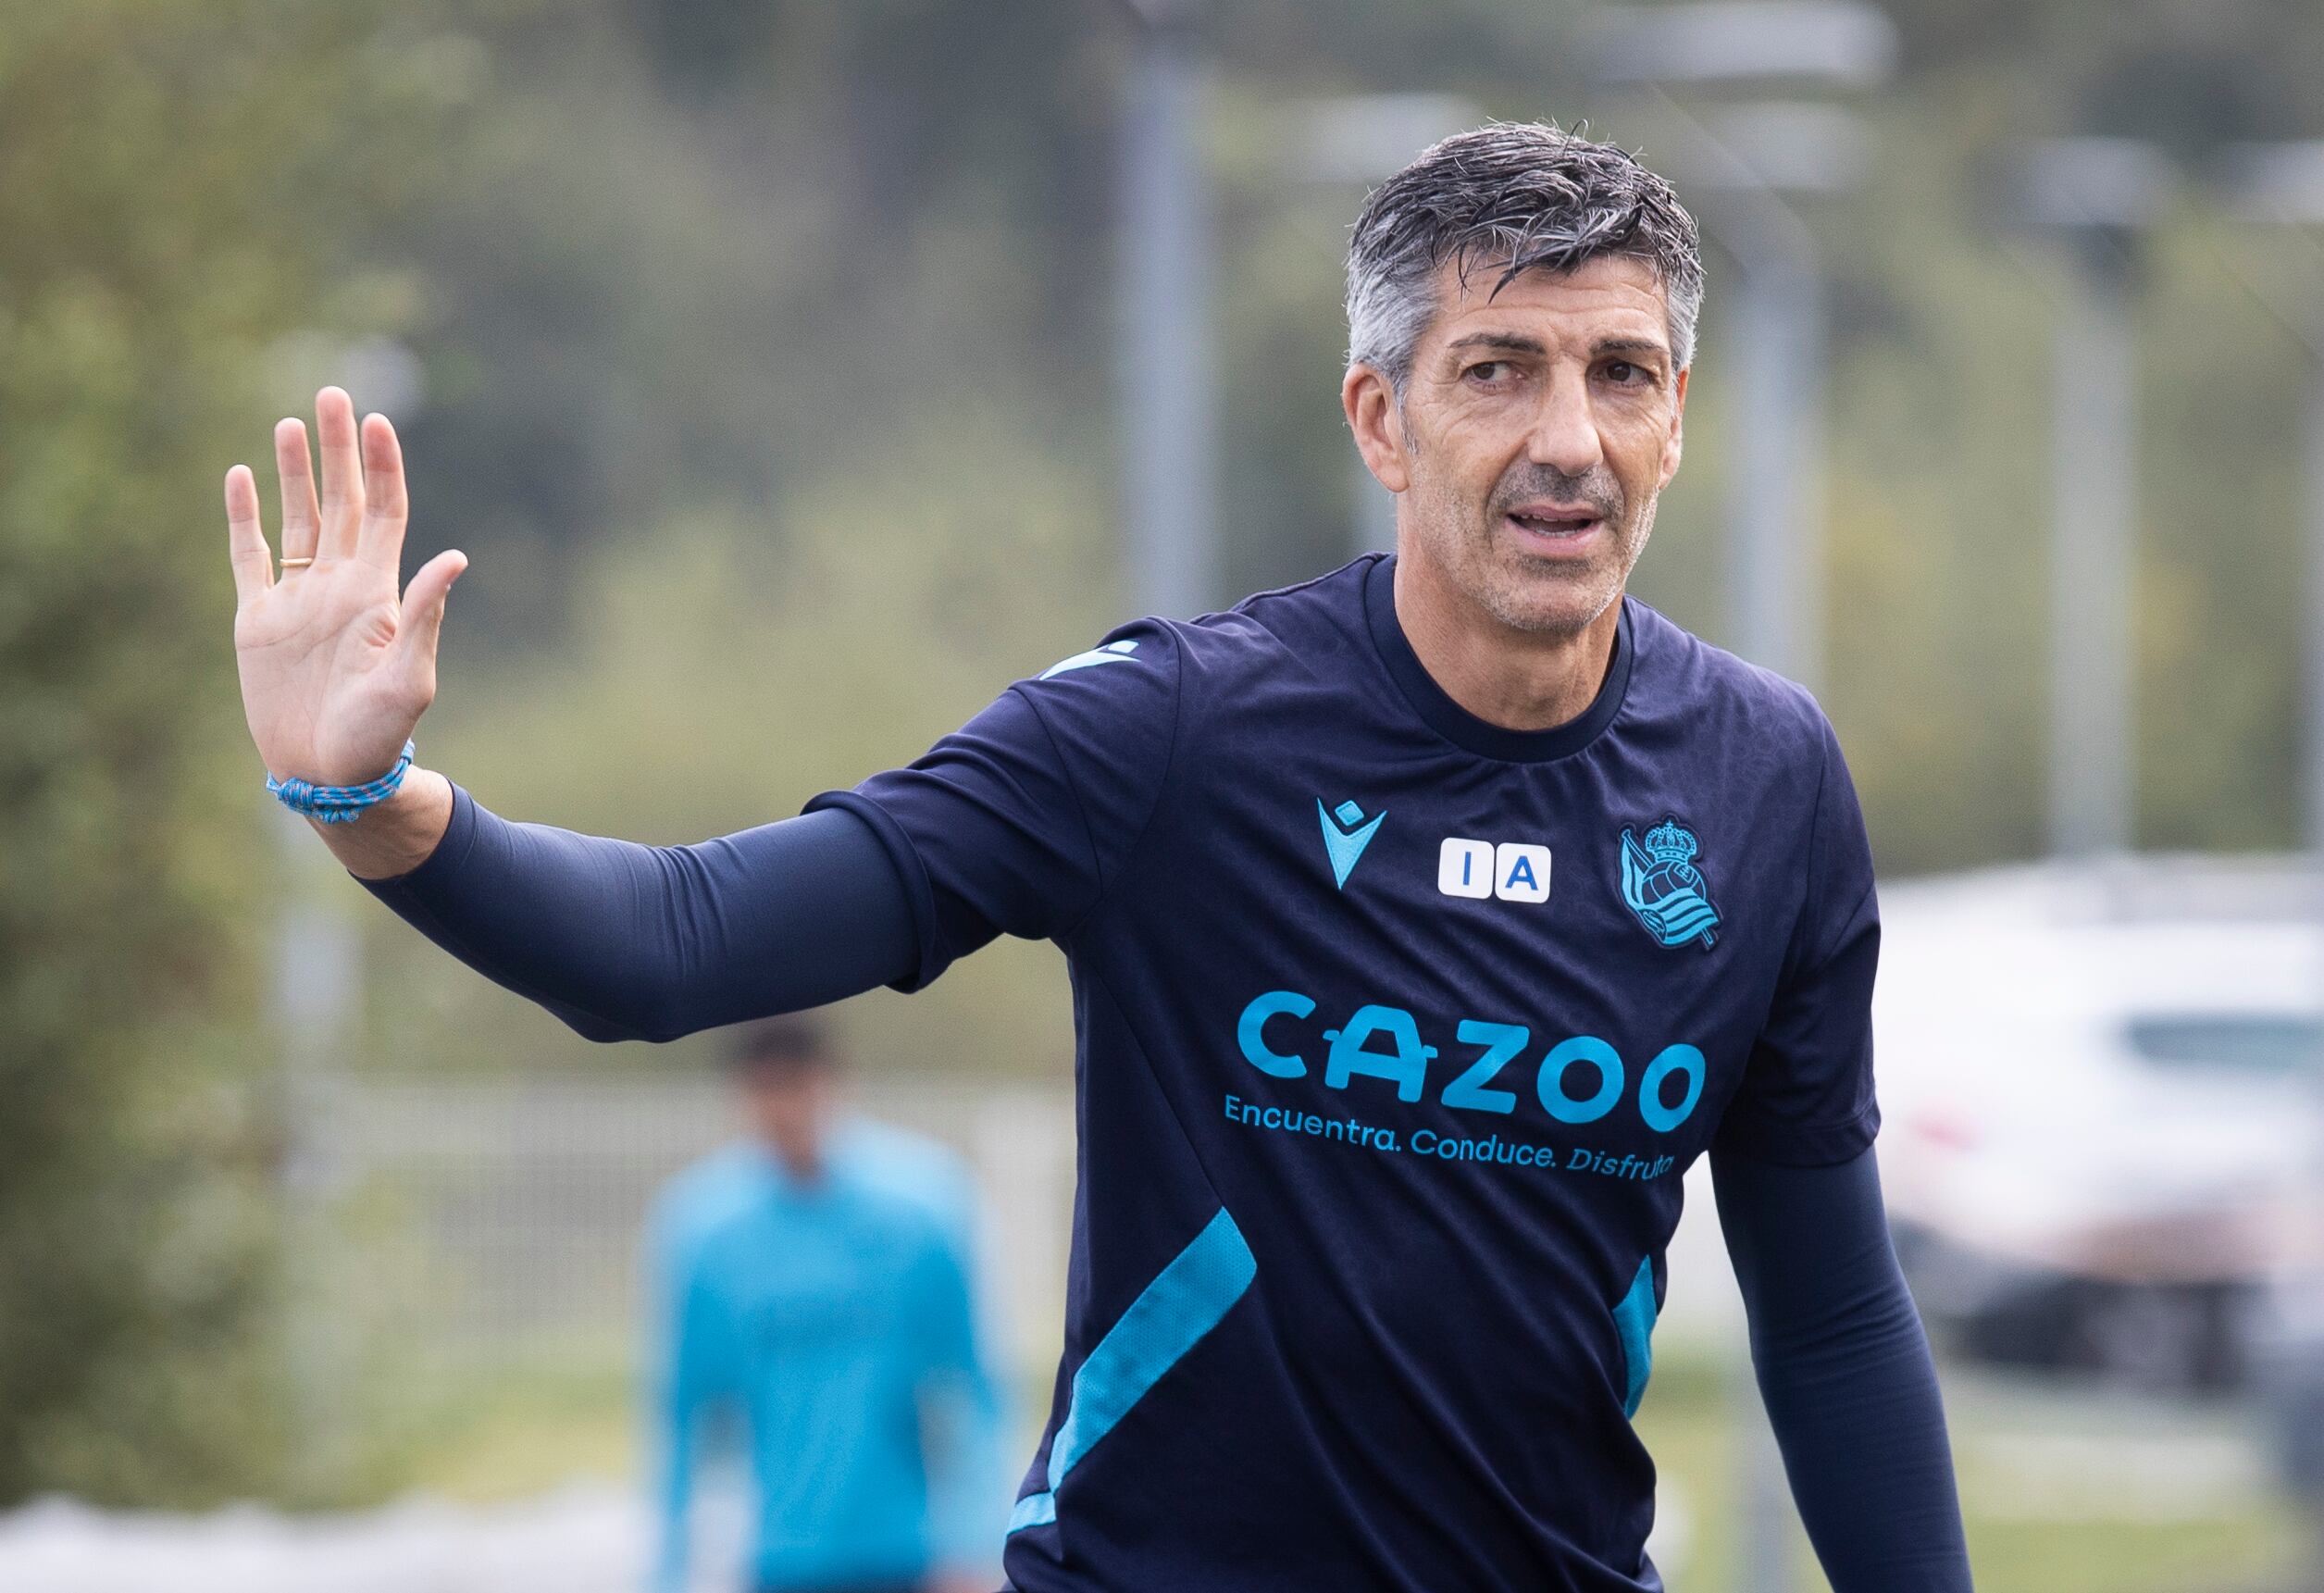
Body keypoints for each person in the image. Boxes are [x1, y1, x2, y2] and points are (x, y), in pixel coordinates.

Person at [222, 124, 1975, 1589]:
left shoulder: (1767, 783)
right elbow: (674, 947)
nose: (1566, 440)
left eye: (1620, 376)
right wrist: (371, 802)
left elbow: (1830, 1323)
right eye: (1497, 372)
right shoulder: (1175, 736)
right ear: (1381, 419)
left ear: (1677, 416)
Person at [648, 1014, 1006, 1593]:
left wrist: (975, 1545)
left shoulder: (923, 1211)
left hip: (907, 1549)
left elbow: (971, 1386)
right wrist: (669, 1572)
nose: (785, 1110)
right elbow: (684, 1409)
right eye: (767, 1090)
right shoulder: (705, 1234)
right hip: (780, 1554)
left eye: (797, 1086)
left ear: (833, 1085)